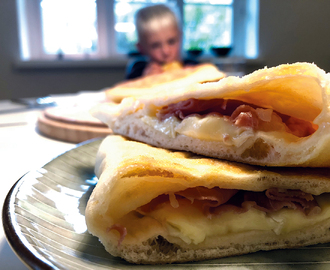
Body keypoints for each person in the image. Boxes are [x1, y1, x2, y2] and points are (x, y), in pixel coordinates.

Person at [126, 4, 198, 79]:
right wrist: (145, 81)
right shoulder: (137, 72)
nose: (166, 52)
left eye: (171, 42)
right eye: (155, 46)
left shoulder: (193, 66)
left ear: (180, 38)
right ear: (141, 48)